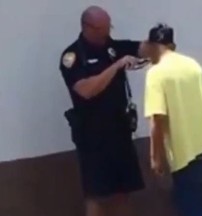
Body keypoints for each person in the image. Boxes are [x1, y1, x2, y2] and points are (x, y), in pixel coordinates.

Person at [59, 6, 148, 216]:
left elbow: (141, 48)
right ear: (87, 27)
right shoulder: (73, 56)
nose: (107, 33)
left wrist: (157, 41)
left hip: (119, 128)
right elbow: (86, 90)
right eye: (102, 29)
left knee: (123, 191)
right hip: (93, 135)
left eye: (109, 28)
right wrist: (116, 66)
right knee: (96, 193)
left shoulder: (112, 47)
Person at [144, 23, 202, 216]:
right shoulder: (193, 65)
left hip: (185, 160)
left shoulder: (155, 73)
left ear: (151, 46)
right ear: (172, 45)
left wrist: (156, 159)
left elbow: (157, 119)